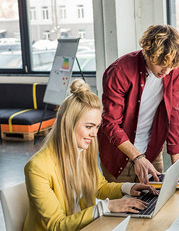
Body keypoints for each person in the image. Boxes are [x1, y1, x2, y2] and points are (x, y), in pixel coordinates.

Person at [24, 79, 158, 231]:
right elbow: (56, 225)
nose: (94, 134)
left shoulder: (81, 152)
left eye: (97, 127)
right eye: (89, 127)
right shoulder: (37, 167)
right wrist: (106, 206)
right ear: (67, 124)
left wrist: (129, 187)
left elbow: (99, 187)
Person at [99, 25, 179, 184]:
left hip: (151, 151)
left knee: (156, 203)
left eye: (171, 65)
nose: (166, 71)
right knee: (121, 205)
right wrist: (136, 157)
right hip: (118, 156)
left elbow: (172, 113)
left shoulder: (175, 69)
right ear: (148, 52)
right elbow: (110, 124)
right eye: (161, 63)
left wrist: (177, 161)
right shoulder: (119, 71)